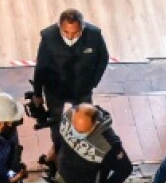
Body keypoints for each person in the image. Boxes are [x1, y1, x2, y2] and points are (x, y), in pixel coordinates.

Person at [32, 9, 110, 164]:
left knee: (87, 121)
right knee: (55, 122)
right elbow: (41, 67)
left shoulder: (94, 35)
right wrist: (37, 93)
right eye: (66, 32)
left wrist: (93, 82)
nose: (70, 36)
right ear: (60, 27)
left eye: (75, 32)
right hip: (55, 89)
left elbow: (103, 59)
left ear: (82, 27)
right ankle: (58, 150)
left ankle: (83, 152)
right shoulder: (48, 37)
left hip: (82, 89)